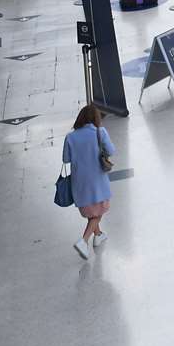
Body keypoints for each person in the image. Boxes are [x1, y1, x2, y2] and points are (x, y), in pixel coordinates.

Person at [61, 104, 116, 260]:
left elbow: (66, 159)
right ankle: (83, 241)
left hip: (79, 185)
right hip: (98, 182)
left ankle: (97, 235)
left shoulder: (70, 137)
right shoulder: (100, 132)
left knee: (91, 212)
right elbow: (111, 151)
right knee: (101, 209)